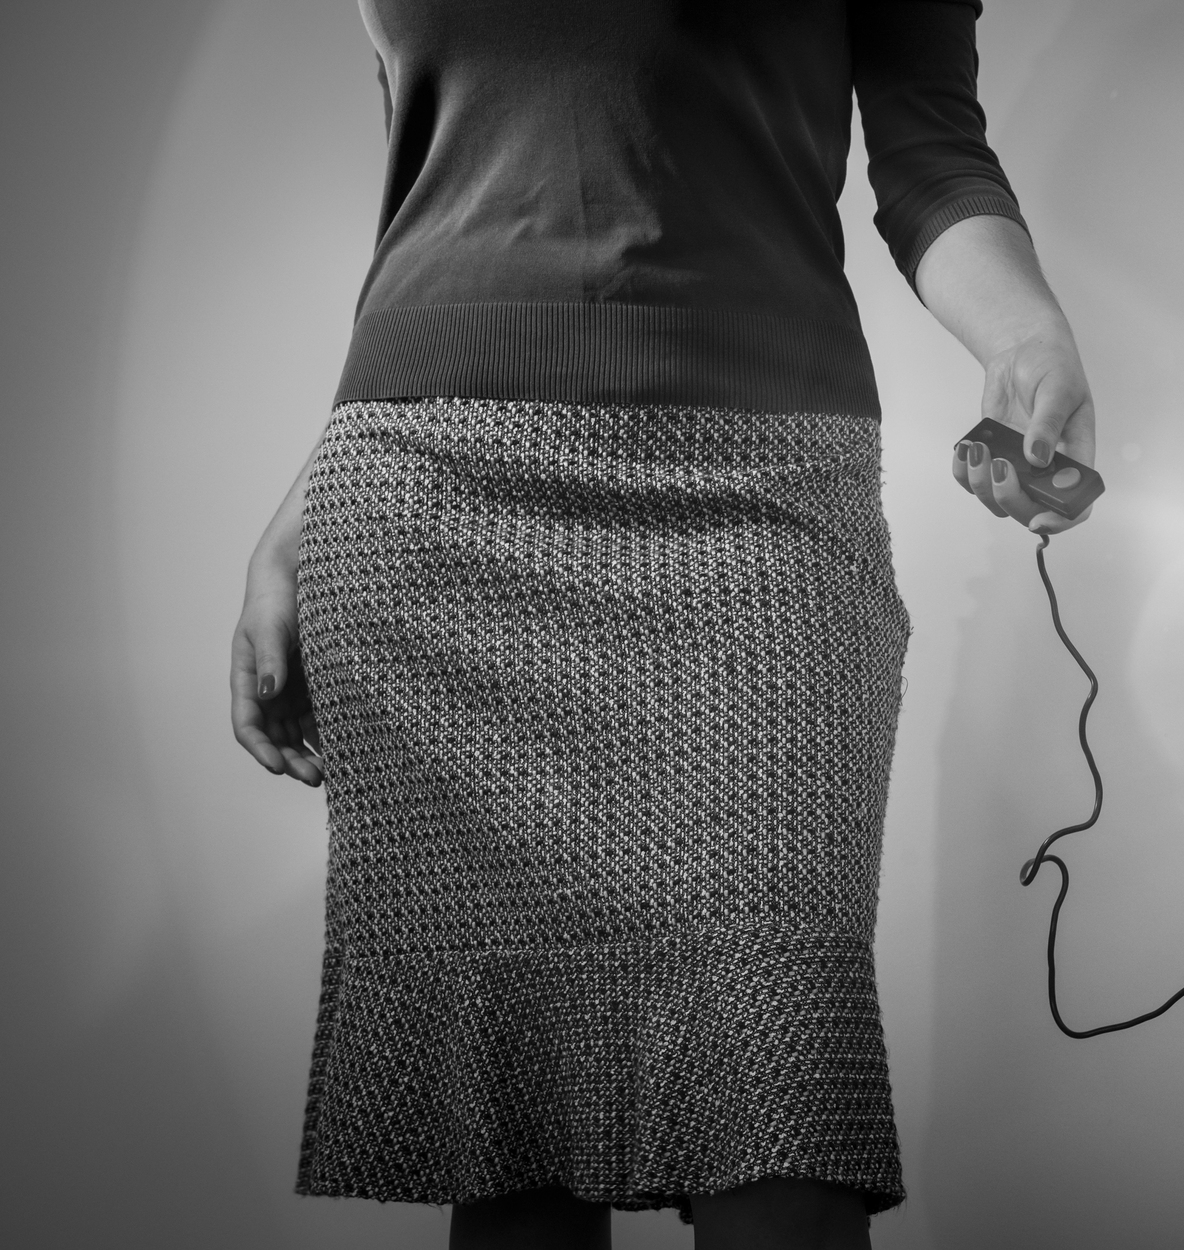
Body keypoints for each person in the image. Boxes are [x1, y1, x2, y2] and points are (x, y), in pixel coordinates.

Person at [227, 3, 1095, 1247]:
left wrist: (1028, 334)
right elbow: (447, 189)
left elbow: (929, 146)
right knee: (512, 1133)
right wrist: (296, 512)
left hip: (757, 483)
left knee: (782, 1098)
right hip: (424, 493)